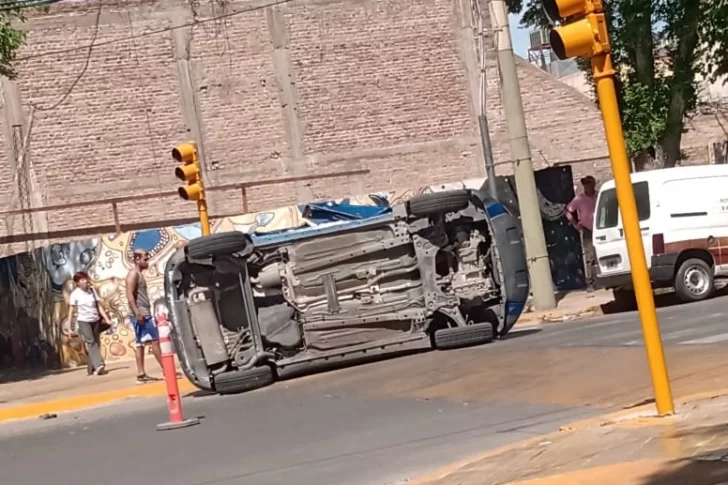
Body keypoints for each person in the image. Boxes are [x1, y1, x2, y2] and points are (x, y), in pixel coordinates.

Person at [126, 250, 164, 384]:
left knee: (140, 344)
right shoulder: (133, 274)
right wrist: (137, 312)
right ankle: (167, 370)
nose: (147, 260)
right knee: (155, 341)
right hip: (141, 314)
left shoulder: (139, 275)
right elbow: (129, 294)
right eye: (145, 258)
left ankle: (141, 374)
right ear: (137, 259)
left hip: (143, 312)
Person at [69, 271, 112, 376]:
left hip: (95, 319)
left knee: (96, 343)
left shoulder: (92, 291)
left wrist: (106, 319)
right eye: (81, 280)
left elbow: (99, 306)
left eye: (85, 279)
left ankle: (91, 368)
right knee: (91, 342)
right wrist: (70, 327)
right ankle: (99, 365)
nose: (84, 281)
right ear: (77, 283)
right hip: (83, 320)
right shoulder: (75, 294)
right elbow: (71, 310)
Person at [566, 175, 598, 292]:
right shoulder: (579, 199)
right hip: (588, 230)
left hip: (600, 229)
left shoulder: (598, 196)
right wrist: (575, 224)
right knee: (590, 257)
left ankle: (600, 280)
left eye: (589, 184)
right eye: (585, 184)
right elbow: (568, 211)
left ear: (593, 184)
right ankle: (590, 282)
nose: (587, 186)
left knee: (600, 255)